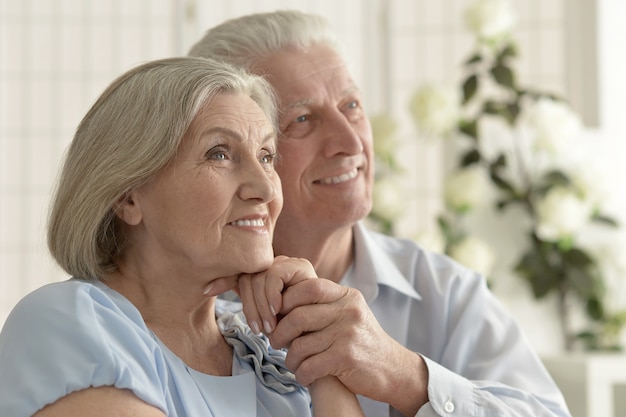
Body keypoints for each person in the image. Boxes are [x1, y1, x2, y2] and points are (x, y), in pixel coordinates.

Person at [189, 10, 573, 417]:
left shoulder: (444, 293)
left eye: (351, 105)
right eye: (302, 119)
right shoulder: (182, 300)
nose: (350, 141)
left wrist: (405, 377)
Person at [0, 56, 365, 417]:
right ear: (127, 197)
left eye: (267, 156)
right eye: (219, 154)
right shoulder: (67, 321)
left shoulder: (266, 343)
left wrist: (319, 350)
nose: (264, 189)